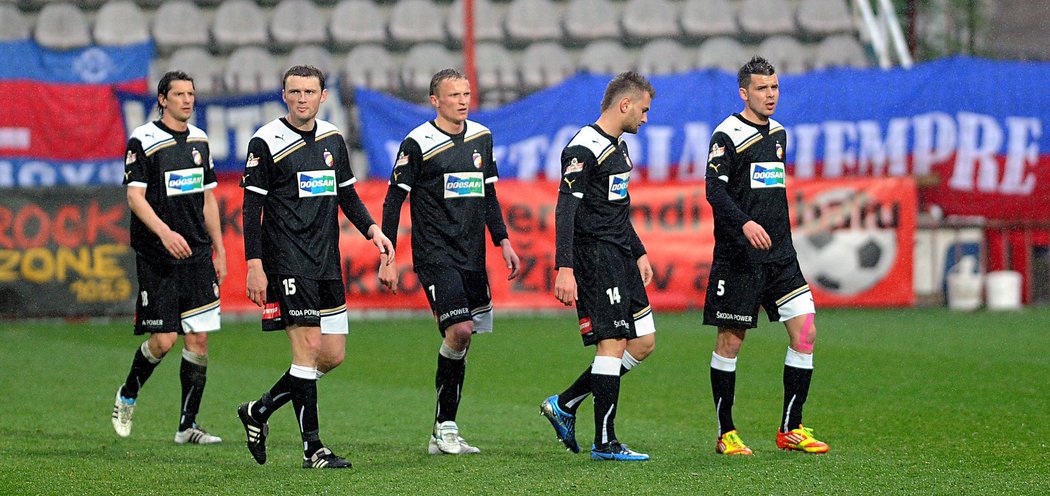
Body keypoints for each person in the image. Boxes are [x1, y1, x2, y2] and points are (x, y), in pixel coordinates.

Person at [236, 65, 395, 469]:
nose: (302, 98)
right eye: (295, 91)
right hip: (287, 259)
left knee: (331, 355)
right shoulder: (266, 142)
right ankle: (313, 449)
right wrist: (254, 264)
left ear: (323, 96)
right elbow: (250, 208)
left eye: (310, 91)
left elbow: (348, 195)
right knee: (306, 351)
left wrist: (372, 230)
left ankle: (258, 411)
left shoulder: (332, 139)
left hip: (326, 260)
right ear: (284, 95)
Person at [378, 68, 520, 455]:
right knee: (459, 330)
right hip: (434, 254)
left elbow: (489, 194)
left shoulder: (481, 137)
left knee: (463, 338)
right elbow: (394, 200)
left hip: (472, 255)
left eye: (466, 93)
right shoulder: (417, 143)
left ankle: (443, 430)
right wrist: (387, 255)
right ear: (435, 101)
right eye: (453, 94)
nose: (462, 100)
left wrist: (503, 240)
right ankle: (446, 427)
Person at [702, 56, 829, 456]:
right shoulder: (727, 134)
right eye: (762, 88)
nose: (771, 95)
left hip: (780, 255)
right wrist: (744, 223)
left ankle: (791, 427)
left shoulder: (779, 133)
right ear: (744, 92)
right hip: (739, 256)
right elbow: (714, 191)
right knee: (730, 342)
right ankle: (726, 433)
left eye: (774, 87)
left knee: (806, 332)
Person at [539, 71, 657, 462]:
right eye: (642, 110)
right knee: (612, 344)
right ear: (624, 105)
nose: (644, 118)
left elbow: (618, 209)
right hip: (595, 259)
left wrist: (639, 251)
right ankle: (605, 442)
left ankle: (566, 403)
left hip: (622, 255)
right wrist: (565, 267)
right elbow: (565, 210)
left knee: (643, 344)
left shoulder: (619, 147)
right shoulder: (583, 148)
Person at [112, 70, 226, 445]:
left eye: (191, 94)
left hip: (197, 254)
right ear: (162, 99)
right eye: (179, 94)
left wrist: (220, 249)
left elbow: (208, 198)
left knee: (199, 340)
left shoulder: (200, 140)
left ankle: (186, 426)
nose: (187, 100)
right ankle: (128, 392)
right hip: (157, 254)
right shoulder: (143, 140)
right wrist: (164, 232)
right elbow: (135, 198)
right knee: (163, 340)